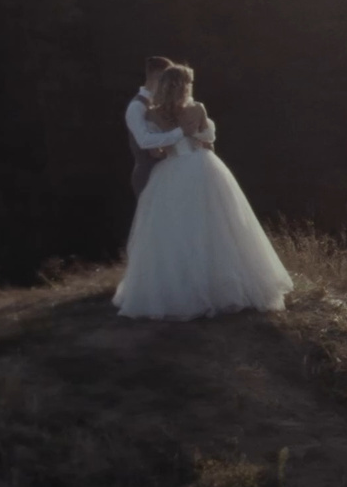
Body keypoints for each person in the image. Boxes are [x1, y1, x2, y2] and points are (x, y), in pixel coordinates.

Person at [113, 63, 293, 319]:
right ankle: (219, 284)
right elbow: (208, 135)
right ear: (183, 85)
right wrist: (191, 134)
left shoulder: (153, 115)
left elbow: (156, 149)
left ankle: (185, 287)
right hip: (201, 166)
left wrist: (178, 137)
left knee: (179, 230)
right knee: (216, 225)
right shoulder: (195, 108)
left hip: (172, 170)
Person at [127, 55, 212, 196]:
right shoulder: (137, 106)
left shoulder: (165, 105)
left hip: (171, 170)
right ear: (158, 76)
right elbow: (144, 141)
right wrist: (181, 132)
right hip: (149, 172)